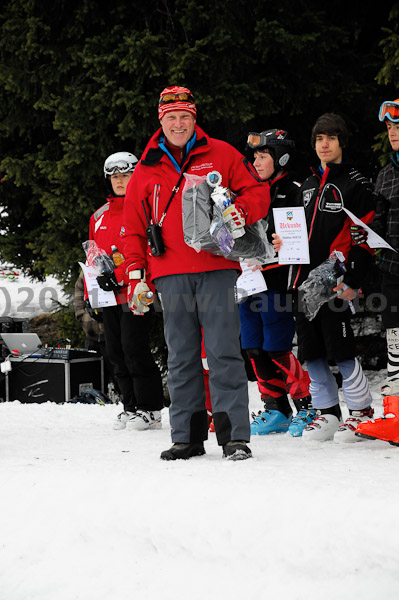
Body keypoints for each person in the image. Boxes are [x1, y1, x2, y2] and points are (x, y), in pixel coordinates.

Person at [122, 85, 269, 460]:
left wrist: (243, 212)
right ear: (161, 120)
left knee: (223, 353)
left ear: (194, 118)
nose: (178, 123)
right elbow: (135, 227)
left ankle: (234, 436)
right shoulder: (146, 167)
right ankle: (186, 437)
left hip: (217, 268)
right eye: (170, 117)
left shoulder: (221, 153)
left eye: (184, 116)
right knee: (181, 356)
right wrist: (136, 275)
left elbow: (256, 192)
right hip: (170, 273)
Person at [273, 113, 376, 442]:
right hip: (303, 283)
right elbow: (297, 232)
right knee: (312, 352)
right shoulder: (308, 185)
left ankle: (361, 414)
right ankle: (328, 413)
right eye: (319, 139)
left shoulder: (356, 184)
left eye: (330, 138)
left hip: (336, 282)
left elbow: (366, 238)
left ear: (341, 142)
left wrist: (353, 281)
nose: (324, 144)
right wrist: (281, 241)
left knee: (342, 351)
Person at [239, 129, 313, 437]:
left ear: (280, 158)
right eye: (254, 156)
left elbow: (306, 237)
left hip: (278, 280)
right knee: (253, 347)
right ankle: (276, 408)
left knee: (277, 346)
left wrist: (287, 241)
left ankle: (307, 405)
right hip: (246, 280)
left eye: (263, 155)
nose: (256, 161)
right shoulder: (246, 189)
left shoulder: (294, 190)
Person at [88, 151, 165, 430]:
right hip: (108, 295)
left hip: (137, 290)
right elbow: (93, 257)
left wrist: (120, 276)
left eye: (126, 175)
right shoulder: (99, 216)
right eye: (115, 177)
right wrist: (91, 294)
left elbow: (148, 249)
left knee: (135, 348)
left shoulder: (146, 208)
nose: (120, 181)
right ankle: (130, 406)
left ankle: (151, 409)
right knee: (116, 351)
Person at [355, 97, 399, 445]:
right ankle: (397, 416)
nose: (393, 133)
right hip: (391, 269)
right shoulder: (386, 173)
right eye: (389, 128)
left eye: (398, 126)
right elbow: (380, 222)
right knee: (395, 339)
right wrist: (367, 235)